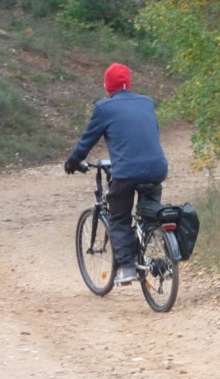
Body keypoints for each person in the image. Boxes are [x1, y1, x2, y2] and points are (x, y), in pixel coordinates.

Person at [65, 62, 169, 286]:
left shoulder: (104, 108)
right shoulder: (147, 103)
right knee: (149, 214)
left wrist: (73, 162)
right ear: (129, 84)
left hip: (127, 173)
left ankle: (128, 268)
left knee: (118, 217)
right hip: (156, 168)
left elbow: (86, 142)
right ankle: (155, 252)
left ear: (107, 86)